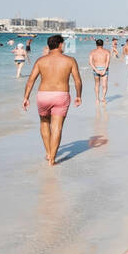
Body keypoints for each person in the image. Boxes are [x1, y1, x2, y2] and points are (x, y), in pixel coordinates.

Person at [21, 34, 83, 165]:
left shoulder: (41, 60)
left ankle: (48, 153)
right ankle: (52, 159)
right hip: (61, 95)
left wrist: (26, 97)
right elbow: (77, 80)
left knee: (44, 123)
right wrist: (78, 96)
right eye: (64, 44)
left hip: (43, 95)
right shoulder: (70, 60)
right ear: (60, 44)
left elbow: (31, 80)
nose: (64, 46)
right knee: (57, 127)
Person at [88, 39, 111, 104]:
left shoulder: (92, 52)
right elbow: (107, 62)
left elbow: (90, 62)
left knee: (97, 84)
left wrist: (96, 70)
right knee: (104, 85)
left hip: (96, 69)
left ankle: (97, 99)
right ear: (103, 44)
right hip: (104, 68)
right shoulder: (107, 52)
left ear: (96, 44)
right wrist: (104, 70)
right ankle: (103, 98)